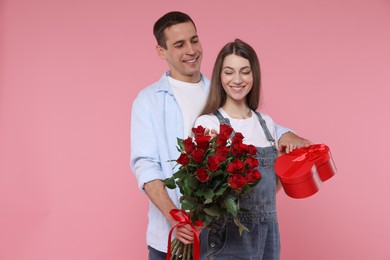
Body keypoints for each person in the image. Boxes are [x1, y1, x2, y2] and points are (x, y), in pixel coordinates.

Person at [130, 11, 310, 260]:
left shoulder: (221, 88)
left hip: (217, 234)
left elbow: (254, 125)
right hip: (171, 237)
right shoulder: (148, 101)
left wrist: (287, 135)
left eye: (194, 40)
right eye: (179, 44)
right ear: (162, 51)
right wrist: (176, 217)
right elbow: (146, 167)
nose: (191, 50)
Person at [195, 38, 292, 259]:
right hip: (227, 233)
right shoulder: (208, 124)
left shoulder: (266, 123)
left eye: (245, 72)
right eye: (229, 72)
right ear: (220, 76)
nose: (237, 80)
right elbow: (206, 194)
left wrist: (284, 165)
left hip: (267, 231)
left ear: (254, 75)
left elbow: (268, 189)